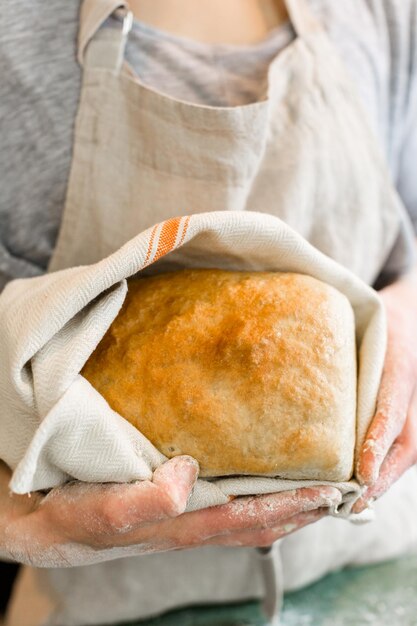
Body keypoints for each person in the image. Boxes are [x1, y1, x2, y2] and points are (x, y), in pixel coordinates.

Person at [1, 0, 417, 624]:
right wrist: (9, 523)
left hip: (373, 569)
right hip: (108, 602)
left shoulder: (382, 13)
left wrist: (408, 314)